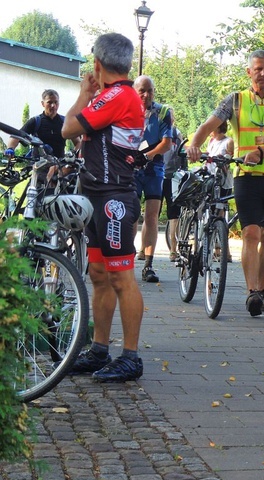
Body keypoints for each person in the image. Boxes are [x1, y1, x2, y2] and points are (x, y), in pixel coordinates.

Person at [61, 32, 146, 383]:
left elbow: (67, 128)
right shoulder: (118, 95)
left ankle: (131, 357)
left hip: (114, 199)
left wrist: (84, 93)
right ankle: (99, 348)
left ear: (97, 63)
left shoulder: (117, 96)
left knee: (120, 276)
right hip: (96, 195)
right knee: (98, 275)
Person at [187, 49, 264, 317]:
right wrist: (194, 144)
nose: (263, 74)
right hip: (246, 177)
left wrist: (260, 153)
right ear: (249, 72)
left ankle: (262, 289)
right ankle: (251, 293)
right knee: (251, 233)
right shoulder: (235, 101)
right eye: (257, 69)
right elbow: (208, 124)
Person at [133, 75, 174, 283]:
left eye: (150, 91)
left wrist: (147, 155)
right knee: (130, 214)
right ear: (135, 90)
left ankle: (148, 264)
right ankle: (127, 260)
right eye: (142, 91)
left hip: (154, 168)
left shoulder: (163, 112)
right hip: (130, 169)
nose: (147, 95)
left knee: (151, 216)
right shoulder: (127, 109)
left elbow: (167, 143)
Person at [5, 89, 81, 157]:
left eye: (56, 102)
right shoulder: (36, 121)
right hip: (39, 166)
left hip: (59, 165)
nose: (53, 105)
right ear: (43, 103)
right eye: (49, 102)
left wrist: (73, 154)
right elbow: (16, 136)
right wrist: (10, 148)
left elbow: (78, 142)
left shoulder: (64, 122)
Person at [206, 121, 235, 262]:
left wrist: (223, 162)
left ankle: (224, 251)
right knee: (212, 215)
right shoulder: (211, 141)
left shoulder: (228, 141)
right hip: (211, 181)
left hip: (223, 182)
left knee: (220, 216)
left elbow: (229, 161)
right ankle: (218, 249)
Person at [161, 124, 184, 262]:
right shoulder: (176, 133)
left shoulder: (155, 130)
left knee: (152, 216)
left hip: (158, 175)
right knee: (174, 215)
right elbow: (182, 155)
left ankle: (143, 251)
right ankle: (173, 251)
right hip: (172, 177)